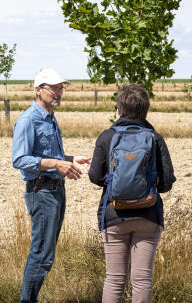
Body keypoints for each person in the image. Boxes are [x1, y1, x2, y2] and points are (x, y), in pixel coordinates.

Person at [88, 84, 176, 303]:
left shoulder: (107, 137)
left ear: (119, 108)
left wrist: (116, 184)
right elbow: (166, 183)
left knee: (114, 280)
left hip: (114, 215)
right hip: (148, 215)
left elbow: (94, 176)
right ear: (146, 109)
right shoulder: (155, 137)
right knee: (142, 279)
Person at [12, 68, 91, 303]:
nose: (58, 93)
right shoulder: (29, 119)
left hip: (55, 190)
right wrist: (57, 164)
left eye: (61, 88)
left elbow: (48, 154)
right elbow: (20, 159)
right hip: (42, 191)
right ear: (38, 90)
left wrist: (69, 160)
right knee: (42, 254)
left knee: (46, 253)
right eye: (53, 88)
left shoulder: (50, 117)